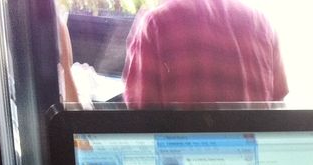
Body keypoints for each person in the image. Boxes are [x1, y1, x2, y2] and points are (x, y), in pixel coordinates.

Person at [121, 0, 289, 107]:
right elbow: (278, 103)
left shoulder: (155, 24)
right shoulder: (264, 24)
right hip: (252, 150)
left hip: (184, 150)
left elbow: (141, 113)